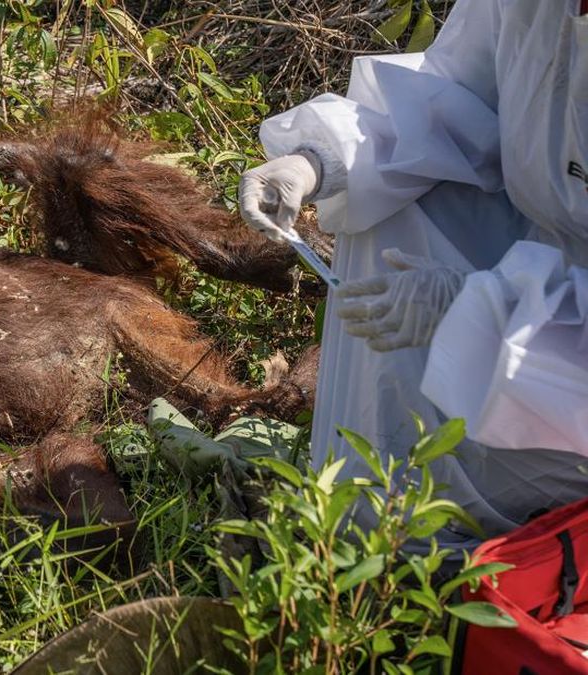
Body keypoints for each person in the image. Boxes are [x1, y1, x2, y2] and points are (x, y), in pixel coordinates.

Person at [238, 1, 588, 554]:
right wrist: (317, 162)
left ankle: (473, 556)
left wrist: (487, 313)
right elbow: (458, 90)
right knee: (389, 196)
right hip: (545, 273)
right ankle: (362, 514)